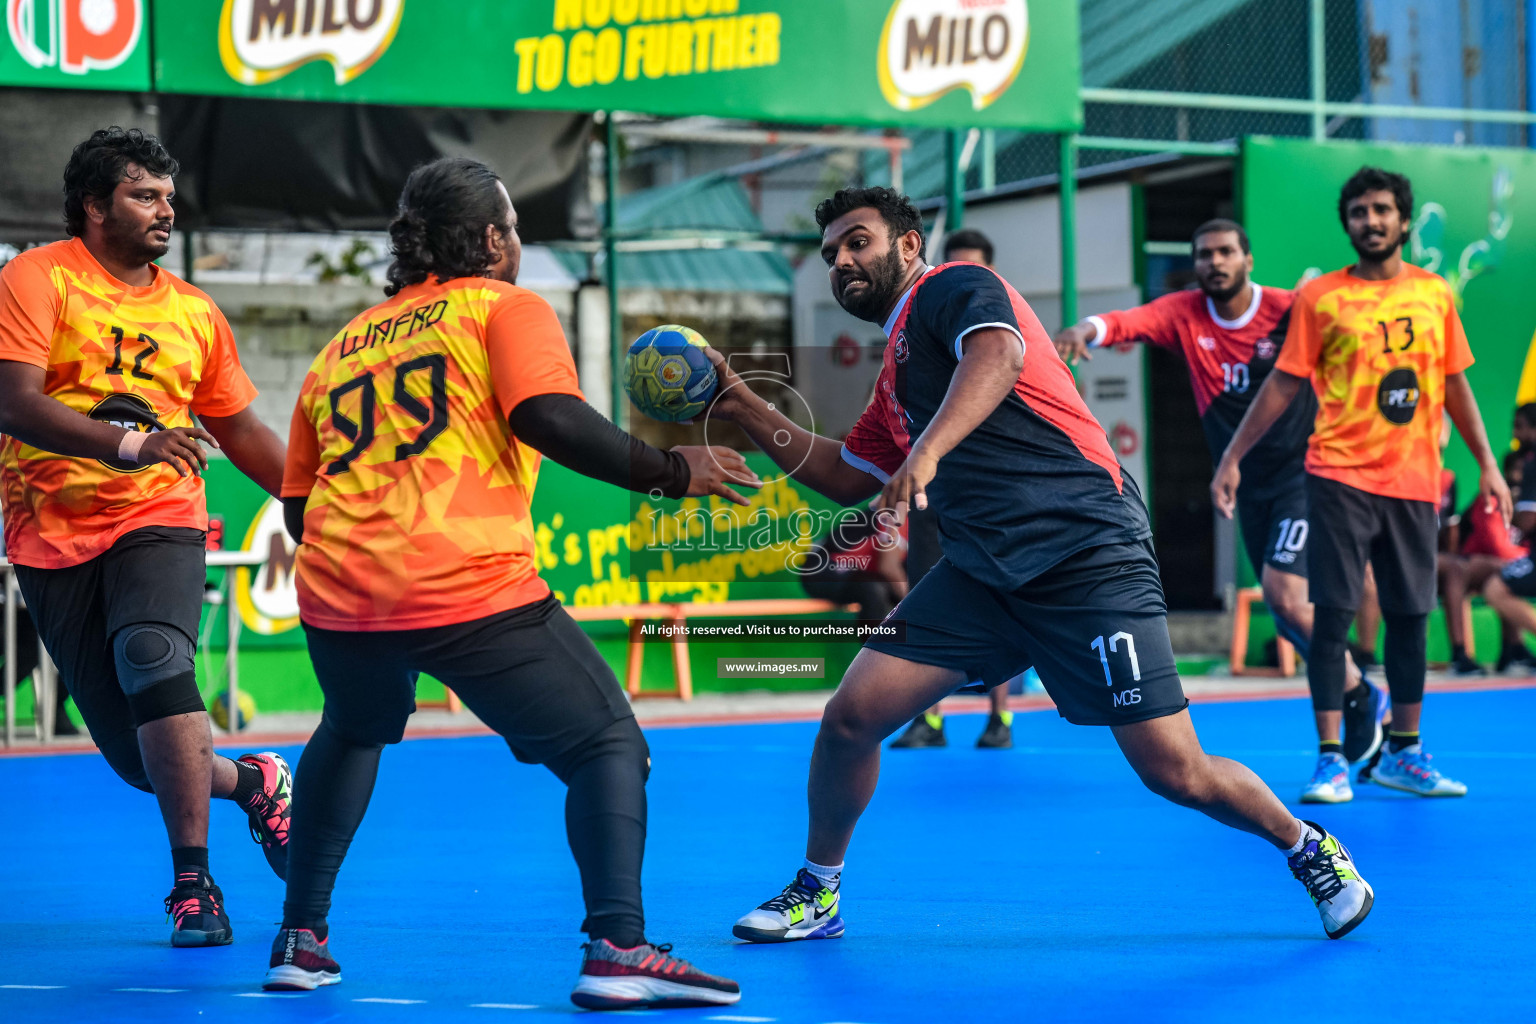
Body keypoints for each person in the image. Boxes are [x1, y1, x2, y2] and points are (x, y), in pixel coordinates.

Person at [714, 186, 1373, 947]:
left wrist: (926, 453)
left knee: (1174, 771)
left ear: (906, 246)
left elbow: (999, 355)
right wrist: (740, 404)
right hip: (984, 571)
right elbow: (844, 471)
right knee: (850, 717)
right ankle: (817, 893)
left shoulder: (956, 288)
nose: (842, 260)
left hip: (1086, 552)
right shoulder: (894, 376)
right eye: (830, 254)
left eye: (857, 241)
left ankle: (1307, 847)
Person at [266, 157, 745, 1010]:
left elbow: (299, 506)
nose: (518, 241)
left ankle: (299, 939)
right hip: (460, 579)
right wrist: (673, 467)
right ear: (490, 239)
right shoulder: (505, 306)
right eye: (514, 226)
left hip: (338, 590)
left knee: (351, 729)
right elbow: (547, 416)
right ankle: (618, 948)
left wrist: (366, 573)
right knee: (608, 747)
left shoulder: (341, 348)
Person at [0, 127, 294, 946]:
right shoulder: (35, 278)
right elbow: (14, 402)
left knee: (153, 656)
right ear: (94, 206)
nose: (166, 209)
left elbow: (240, 433)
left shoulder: (196, 310)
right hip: (49, 534)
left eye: (169, 195)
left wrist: (316, 501)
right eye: (143, 194)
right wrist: (130, 440)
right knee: (142, 764)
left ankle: (193, 886)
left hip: (159, 513)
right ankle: (254, 781)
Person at [1055, 219, 1387, 800]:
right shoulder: (1185, 313)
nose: (1215, 261)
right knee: (1287, 618)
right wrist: (1085, 329)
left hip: (1305, 474)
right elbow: (1123, 323)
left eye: (1226, 251)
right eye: (1204, 253)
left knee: (1288, 599)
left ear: (1248, 258)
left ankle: (1353, 705)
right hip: (1249, 485)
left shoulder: (1289, 310)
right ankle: (1360, 691)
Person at [1213, 166, 1510, 800]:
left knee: (1409, 615)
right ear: (1347, 223)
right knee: (1333, 618)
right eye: (1358, 212)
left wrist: (1486, 462)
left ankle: (1404, 752)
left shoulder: (1434, 295)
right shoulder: (1321, 297)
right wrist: (1233, 456)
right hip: (1338, 475)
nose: (1370, 222)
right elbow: (1284, 383)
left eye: (1381, 210)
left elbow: (1455, 383)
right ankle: (1330, 759)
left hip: (1413, 481)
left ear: (1403, 220)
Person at [891, 227, 1015, 749]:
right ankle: (931, 718)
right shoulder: (917, 337)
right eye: (955, 265)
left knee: (999, 601)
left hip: (988, 497)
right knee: (923, 598)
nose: (963, 275)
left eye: (974, 267)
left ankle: (1000, 718)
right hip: (929, 496)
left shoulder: (1006, 339)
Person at [800, 508, 907, 630]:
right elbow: (889, 568)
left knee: (892, 591)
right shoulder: (899, 514)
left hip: (853, 572)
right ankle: (875, 648)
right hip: (821, 570)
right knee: (875, 589)